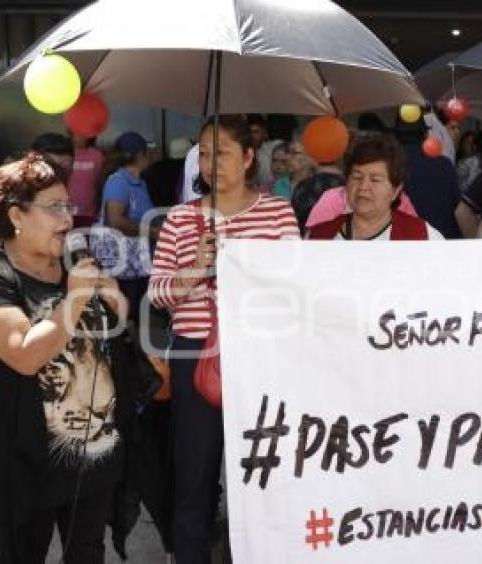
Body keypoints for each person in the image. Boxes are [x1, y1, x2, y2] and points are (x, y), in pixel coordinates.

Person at [0, 152, 129, 562]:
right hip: (27, 461)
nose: (68, 219)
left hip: (94, 452)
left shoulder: (76, 266)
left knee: (87, 552)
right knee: (23, 554)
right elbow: (24, 356)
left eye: (69, 206)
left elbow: (111, 336)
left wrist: (115, 301)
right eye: (54, 208)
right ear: (16, 215)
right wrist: (75, 298)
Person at [148, 115, 298, 564]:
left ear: (249, 157)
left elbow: (293, 285)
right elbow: (157, 294)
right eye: (206, 152)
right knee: (194, 475)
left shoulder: (277, 211)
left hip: (259, 353)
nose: (213, 163)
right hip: (195, 353)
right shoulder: (179, 218)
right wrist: (195, 268)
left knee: (255, 479)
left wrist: (246, 267)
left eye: (224, 152)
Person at [307, 133, 443, 240]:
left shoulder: (422, 236)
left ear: (396, 191)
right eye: (357, 177)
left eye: (375, 180)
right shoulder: (319, 236)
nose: (363, 186)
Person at [97, 131, 156, 322]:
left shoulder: (140, 182)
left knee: (137, 306)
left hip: (136, 261)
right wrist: (154, 232)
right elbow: (116, 220)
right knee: (125, 308)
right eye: (148, 152)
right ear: (140, 155)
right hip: (122, 262)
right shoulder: (119, 182)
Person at [68, 133, 105, 228]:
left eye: (84, 133)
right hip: (66, 213)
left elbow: (100, 184)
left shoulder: (97, 156)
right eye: (78, 133)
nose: (81, 137)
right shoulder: (65, 154)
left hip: (89, 214)